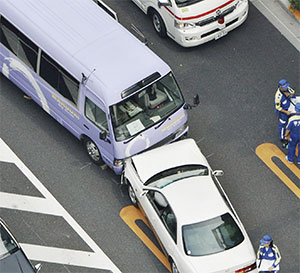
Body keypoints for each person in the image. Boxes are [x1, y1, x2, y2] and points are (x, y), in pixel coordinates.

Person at [274, 79, 296, 147]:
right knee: (283, 124)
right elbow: (278, 107)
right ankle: (282, 138)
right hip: (283, 112)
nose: (286, 88)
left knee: (290, 122)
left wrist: (289, 94)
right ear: (280, 87)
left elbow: (293, 92)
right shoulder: (278, 96)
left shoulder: (287, 89)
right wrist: (286, 112)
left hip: (289, 108)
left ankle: (289, 133)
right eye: (284, 87)